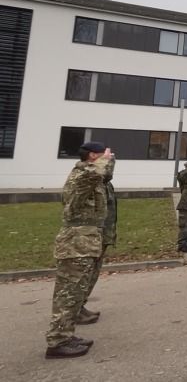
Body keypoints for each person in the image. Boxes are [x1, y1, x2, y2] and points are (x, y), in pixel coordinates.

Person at [45, 142, 112, 359]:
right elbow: (97, 172)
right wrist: (105, 160)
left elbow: (104, 175)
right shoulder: (82, 174)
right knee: (67, 294)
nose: (108, 159)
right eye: (103, 155)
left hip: (85, 243)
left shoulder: (91, 175)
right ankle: (57, 341)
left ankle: (66, 334)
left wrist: (109, 162)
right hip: (76, 244)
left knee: (75, 293)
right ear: (93, 156)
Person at [78, 153, 118, 325]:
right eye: (106, 162)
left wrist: (109, 161)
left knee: (92, 274)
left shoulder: (105, 183)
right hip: (90, 236)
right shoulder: (87, 179)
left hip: (102, 234)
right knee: (83, 275)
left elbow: (105, 174)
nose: (108, 165)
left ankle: (80, 306)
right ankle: (74, 310)